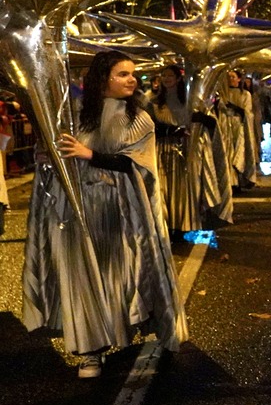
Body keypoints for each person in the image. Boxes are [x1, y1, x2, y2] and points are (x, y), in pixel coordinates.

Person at [23, 51, 188, 378]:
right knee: (80, 279)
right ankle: (90, 351)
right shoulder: (74, 116)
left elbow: (138, 164)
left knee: (116, 278)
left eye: (133, 74)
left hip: (117, 211)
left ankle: (132, 324)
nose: (132, 80)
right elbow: (57, 153)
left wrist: (91, 154)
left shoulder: (139, 117)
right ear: (101, 79)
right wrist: (47, 156)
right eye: (123, 74)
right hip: (74, 210)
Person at [151, 66, 193, 238]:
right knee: (162, 186)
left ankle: (179, 224)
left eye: (170, 75)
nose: (167, 78)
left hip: (181, 149)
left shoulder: (187, 102)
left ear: (177, 78)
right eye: (164, 75)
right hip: (161, 148)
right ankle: (165, 224)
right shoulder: (153, 102)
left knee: (179, 187)